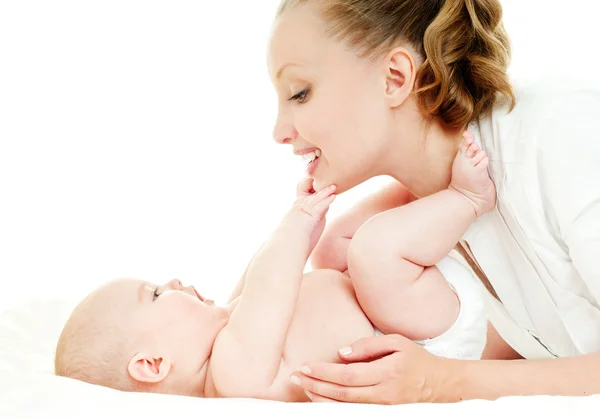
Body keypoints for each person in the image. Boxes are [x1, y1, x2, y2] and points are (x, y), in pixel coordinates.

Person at [269, 0, 600, 404]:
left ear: (394, 77)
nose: (279, 131)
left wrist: (444, 381)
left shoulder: (564, 137)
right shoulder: (444, 211)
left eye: (299, 93)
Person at [54, 133, 493, 401]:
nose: (170, 281)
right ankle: (468, 199)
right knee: (372, 252)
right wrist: (299, 218)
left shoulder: (232, 328)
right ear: (152, 364)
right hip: (419, 333)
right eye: (153, 294)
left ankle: (419, 185)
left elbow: (262, 271)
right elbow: (271, 283)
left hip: (382, 301)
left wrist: (309, 221)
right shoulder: (232, 379)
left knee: (334, 245)